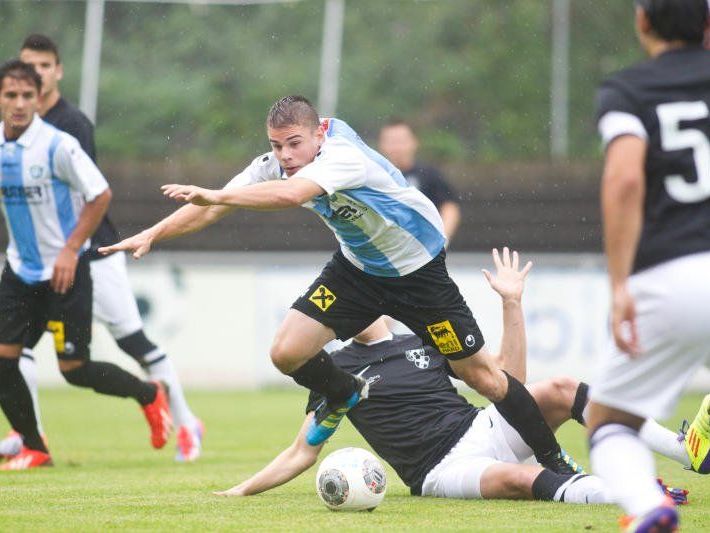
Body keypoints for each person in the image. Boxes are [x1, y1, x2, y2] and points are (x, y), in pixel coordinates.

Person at [100, 95, 576, 475]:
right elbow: (209, 207)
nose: (285, 156)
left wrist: (221, 194)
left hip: (419, 272)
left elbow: (289, 195)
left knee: (486, 379)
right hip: (359, 271)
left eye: (294, 144)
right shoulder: (276, 160)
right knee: (287, 352)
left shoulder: (342, 156)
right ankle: (345, 391)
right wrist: (154, 232)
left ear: (318, 133)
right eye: (277, 146)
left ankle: (555, 461)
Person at [214, 250, 690, 505]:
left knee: (563, 388)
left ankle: (686, 452)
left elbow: (510, 385)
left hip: (482, 428)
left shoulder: (422, 339)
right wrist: (241, 490)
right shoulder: (334, 371)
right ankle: (632, 496)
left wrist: (511, 303)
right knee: (520, 479)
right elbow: (303, 451)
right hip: (440, 471)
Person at [0, 34, 204, 463]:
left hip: (93, 255)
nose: (29, 82)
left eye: (40, 69)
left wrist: (71, 250)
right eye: (24, 69)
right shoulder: (8, 134)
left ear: (54, 74)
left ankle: (185, 423)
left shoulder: (67, 130)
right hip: (30, 267)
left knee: (126, 345)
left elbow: (89, 194)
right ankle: (31, 440)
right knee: (13, 356)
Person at [587, 1, 710, 531]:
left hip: (673, 273)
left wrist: (620, 285)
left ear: (642, 22)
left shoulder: (628, 90)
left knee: (608, 422)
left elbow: (625, 180)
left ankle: (650, 508)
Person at [378, 119, 461, 243]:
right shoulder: (373, 177)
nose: (397, 147)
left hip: (422, 250)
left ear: (414, 142)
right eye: (391, 142)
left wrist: (441, 241)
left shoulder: (429, 175)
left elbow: (449, 207)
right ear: (381, 145)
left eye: (401, 141)